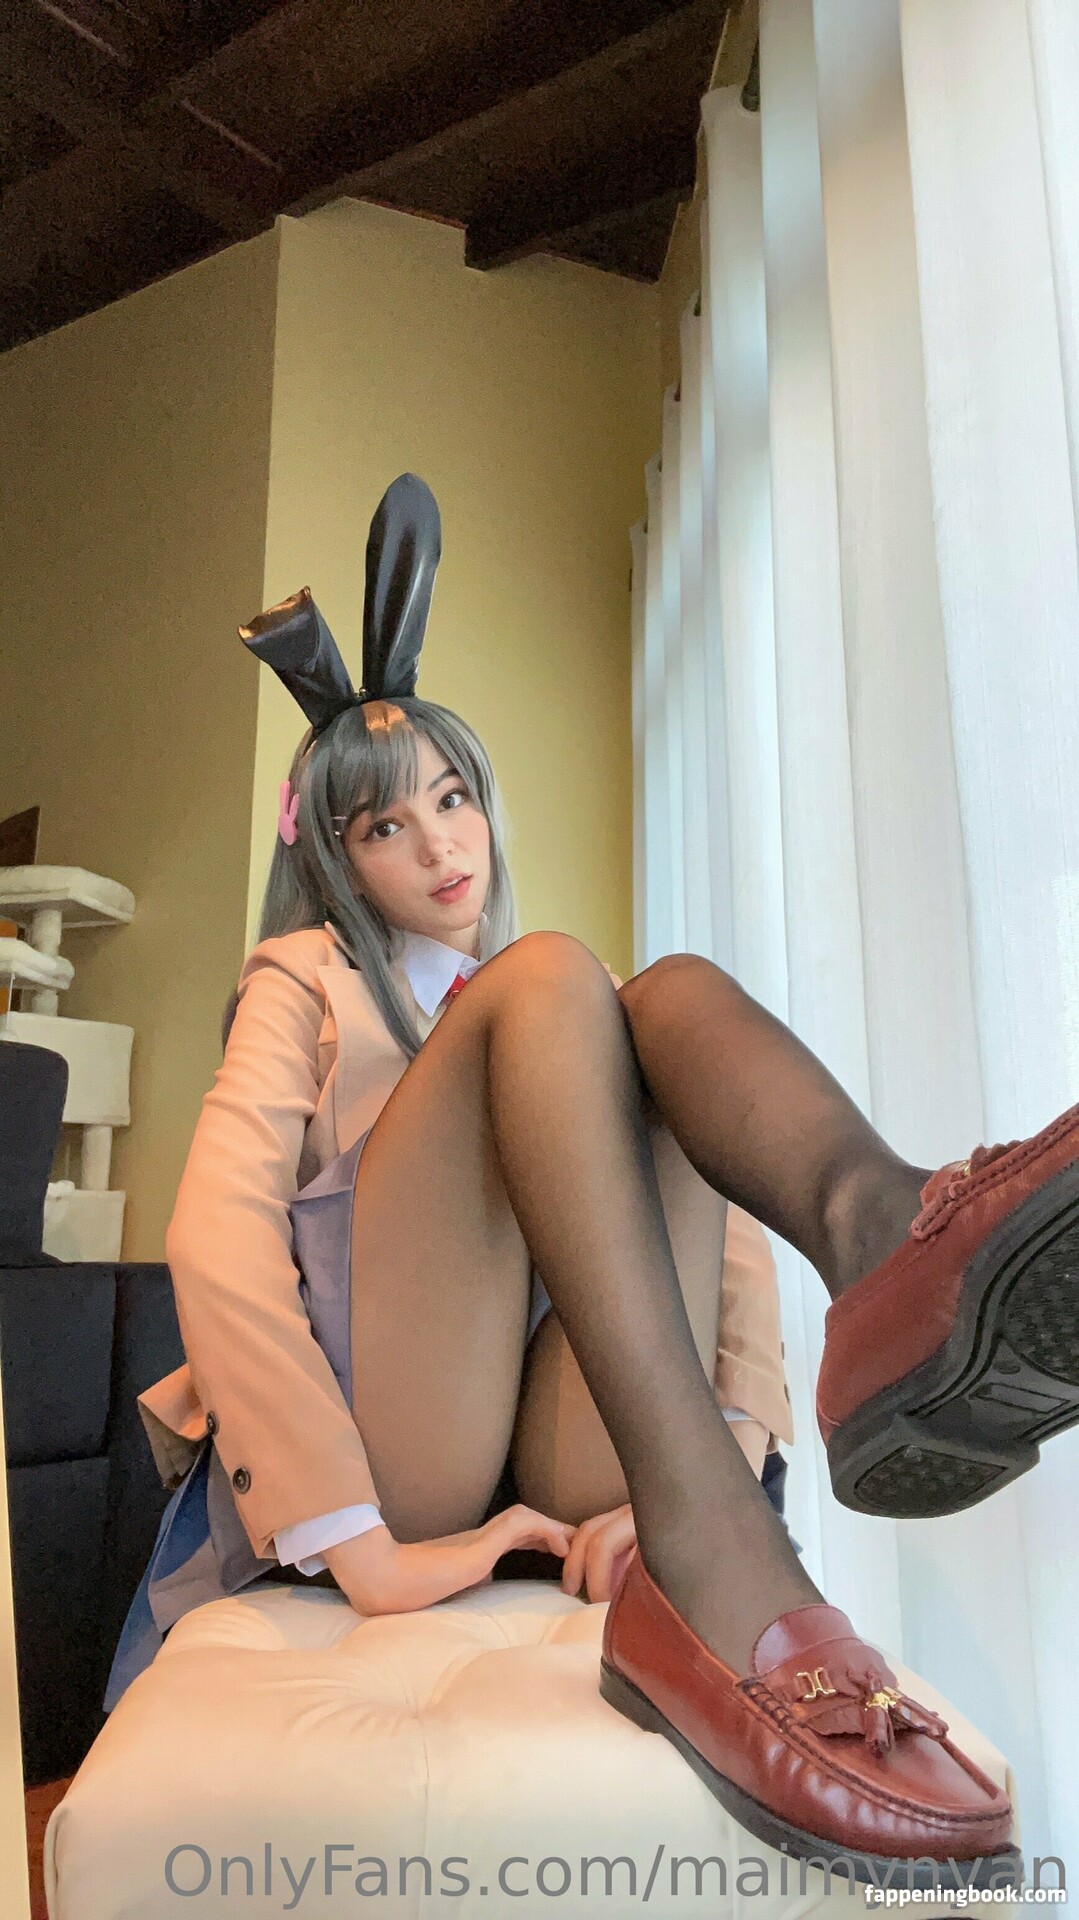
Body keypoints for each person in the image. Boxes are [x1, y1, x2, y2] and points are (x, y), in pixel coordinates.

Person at [121, 475, 1078, 1885]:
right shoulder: (306, 980)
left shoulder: (571, 1018)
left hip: (554, 1445)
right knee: (560, 982)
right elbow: (215, 1235)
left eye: (454, 798)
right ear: (333, 856)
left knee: (664, 999)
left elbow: (723, 1247)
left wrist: (735, 1435)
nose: (442, 844)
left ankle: (886, 1244)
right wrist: (355, 1540)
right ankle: (731, 1560)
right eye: (385, 827)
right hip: (395, 1452)